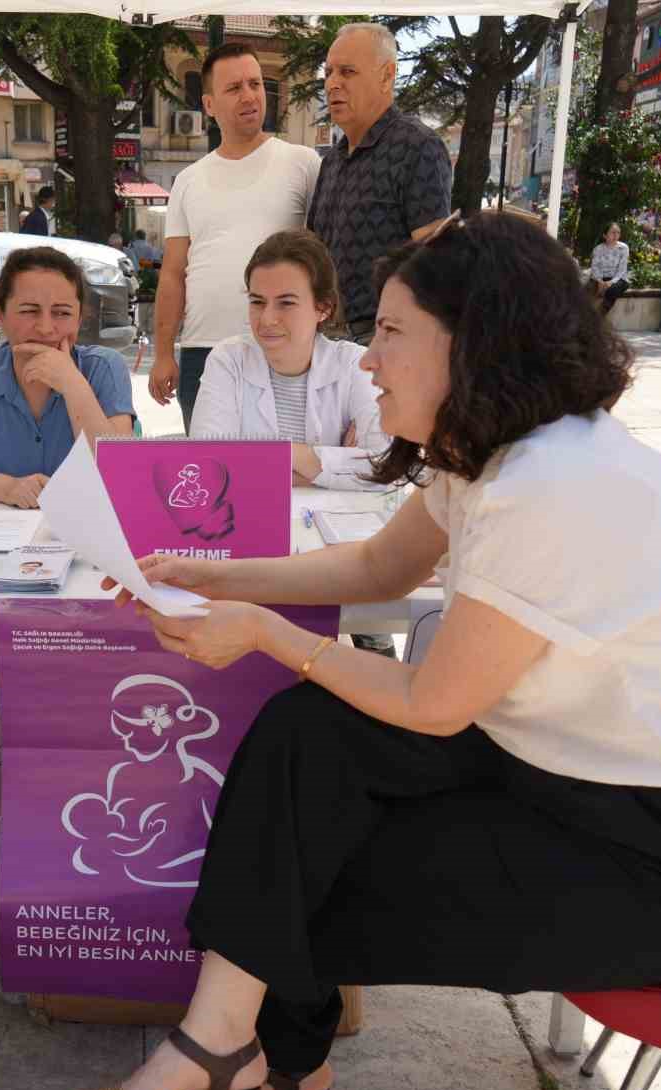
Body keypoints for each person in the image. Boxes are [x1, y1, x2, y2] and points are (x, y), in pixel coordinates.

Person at [59, 212, 661, 1090]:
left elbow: (434, 706)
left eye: (394, 332)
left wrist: (264, 636)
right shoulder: (498, 450)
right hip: (573, 770)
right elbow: (377, 566)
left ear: (475, 343)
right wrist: (219, 577)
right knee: (307, 737)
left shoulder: (554, 483)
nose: (369, 360)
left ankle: (254, 1058)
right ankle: (251, 1059)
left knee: (314, 874)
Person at [192, 229, 393, 659]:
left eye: (286, 303)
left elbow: (387, 464)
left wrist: (289, 457)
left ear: (323, 307)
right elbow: (208, 465)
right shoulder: (228, 359)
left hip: (336, 541)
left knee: (369, 640)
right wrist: (331, 463)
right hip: (247, 534)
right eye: (257, 301)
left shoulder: (352, 364)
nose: (267, 319)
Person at [149, 44, 323, 431]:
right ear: (209, 105)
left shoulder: (304, 163)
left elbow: (323, 261)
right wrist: (164, 353)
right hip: (202, 352)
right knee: (207, 476)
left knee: (284, 477)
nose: (249, 95)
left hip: (281, 347)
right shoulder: (187, 181)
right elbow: (173, 274)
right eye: (234, 88)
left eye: (256, 84)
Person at [0, 246, 135, 509]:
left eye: (62, 313)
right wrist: (10, 488)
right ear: (0, 314)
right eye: (30, 311)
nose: (45, 328)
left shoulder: (104, 366)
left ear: (79, 319)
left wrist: (73, 384)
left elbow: (121, 475)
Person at [306, 23, 453, 345]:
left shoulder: (417, 147)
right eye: (329, 72)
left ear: (387, 76)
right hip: (325, 341)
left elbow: (434, 261)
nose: (332, 83)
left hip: (383, 340)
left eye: (347, 72)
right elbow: (314, 250)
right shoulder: (332, 160)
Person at [585, 222, 631, 313]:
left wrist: (610, 282)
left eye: (618, 232)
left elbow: (622, 270)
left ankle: (599, 316)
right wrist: (599, 281)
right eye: (613, 232)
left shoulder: (623, 248)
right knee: (586, 290)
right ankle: (581, 316)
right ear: (605, 235)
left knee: (612, 290)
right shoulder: (598, 249)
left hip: (619, 279)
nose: (616, 235)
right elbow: (595, 268)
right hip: (601, 278)